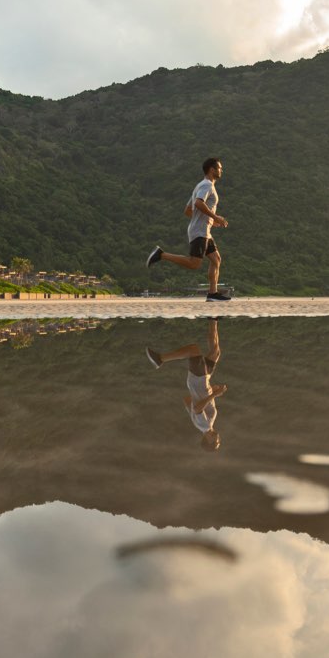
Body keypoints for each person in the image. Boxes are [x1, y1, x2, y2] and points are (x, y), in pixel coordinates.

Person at [147, 157, 229, 300]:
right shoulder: (207, 186)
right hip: (200, 231)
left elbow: (187, 210)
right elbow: (198, 203)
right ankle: (161, 255)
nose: (222, 170)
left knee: (216, 259)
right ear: (212, 169)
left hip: (204, 231)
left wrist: (210, 220)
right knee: (194, 263)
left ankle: (212, 293)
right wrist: (215, 217)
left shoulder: (200, 186)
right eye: (220, 168)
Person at [145, 318, 227, 451]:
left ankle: (160, 359)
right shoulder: (204, 424)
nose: (218, 440)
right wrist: (210, 391)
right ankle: (213, 319)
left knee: (193, 350)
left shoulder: (204, 426)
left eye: (216, 442)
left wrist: (214, 394)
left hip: (198, 380)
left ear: (208, 440)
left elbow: (197, 409)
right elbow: (188, 400)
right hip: (202, 381)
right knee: (215, 352)